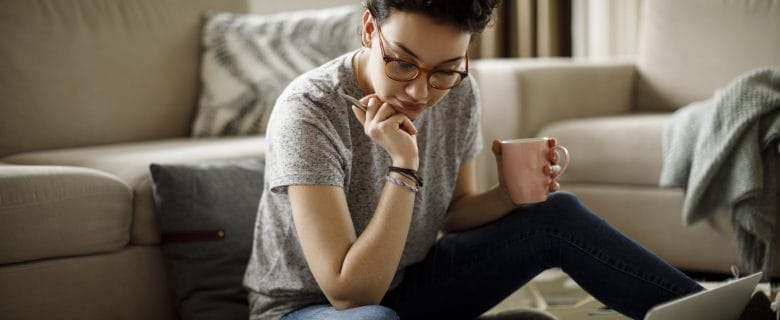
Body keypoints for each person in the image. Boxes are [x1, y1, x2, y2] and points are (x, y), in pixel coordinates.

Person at [243, 1, 704, 319]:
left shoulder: (459, 93)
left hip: (411, 286)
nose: (420, 92)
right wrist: (403, 167)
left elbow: (455, 213)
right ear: (369, 30)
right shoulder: (310, 110)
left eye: (445, 69)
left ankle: (721, 312)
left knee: (553, 214)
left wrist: (508, 195)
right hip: (309, 309)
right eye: (402, 63)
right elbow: (349, 293)